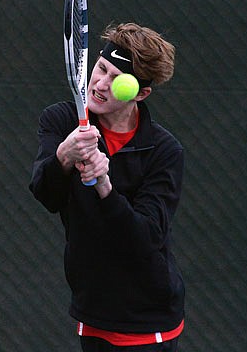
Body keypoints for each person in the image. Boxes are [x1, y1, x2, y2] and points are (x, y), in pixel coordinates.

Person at [29, 22, 185, 351]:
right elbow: (46, 194)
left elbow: (145, 238)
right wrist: (64, 156)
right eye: (101, 69)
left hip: (146, 319)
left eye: (118, 81)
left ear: (141, 93)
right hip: (92, 309)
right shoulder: (60, 120)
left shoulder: (164, 151)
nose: (101, 84)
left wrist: (105, 187)